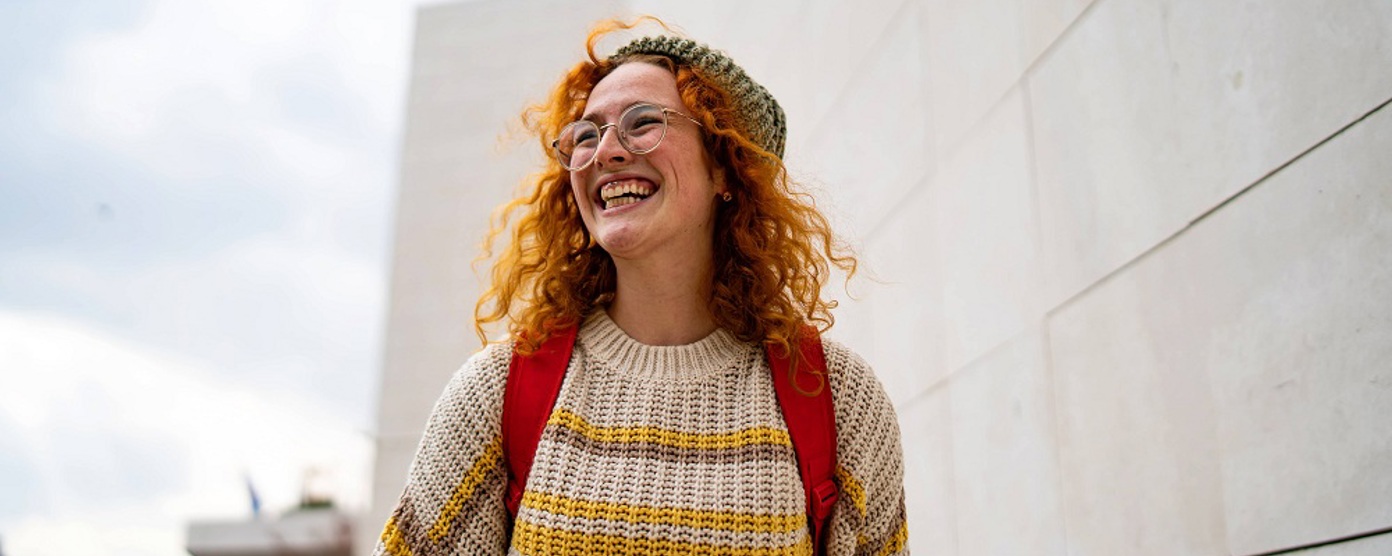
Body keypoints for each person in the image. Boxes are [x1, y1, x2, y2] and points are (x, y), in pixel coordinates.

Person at [374, 18, 908, 556]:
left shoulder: (837, 398)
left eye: (642, 121)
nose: (605, 151)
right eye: (586, 134)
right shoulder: (500, 389)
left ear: (726, 168)